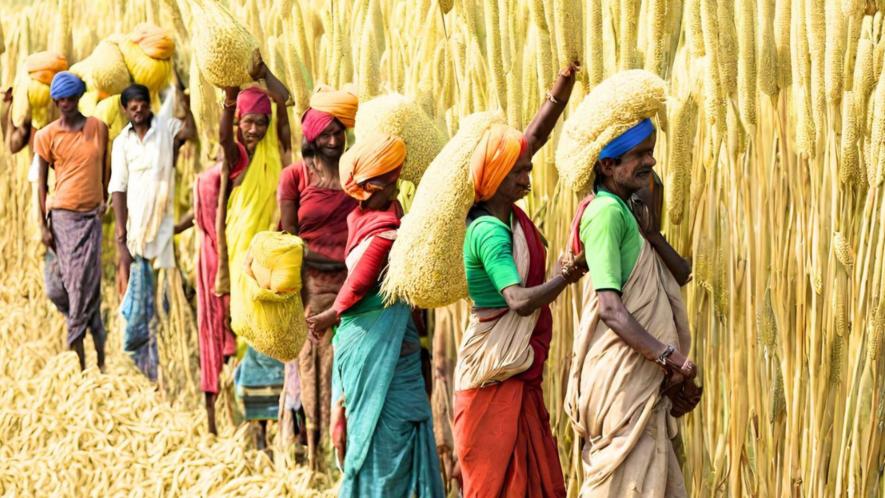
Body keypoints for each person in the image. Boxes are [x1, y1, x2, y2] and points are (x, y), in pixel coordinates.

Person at [449, 63, 583, 498]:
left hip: (511, 374)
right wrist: (567, 275)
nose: (528, 179)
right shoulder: (490, 231)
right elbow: (519, 300)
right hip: (492, 377)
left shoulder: (505, 212)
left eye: (527, 169)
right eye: (519, 174)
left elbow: (534, 138)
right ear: (495, 179)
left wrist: (562, 87)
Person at [564, 118, 701, 497]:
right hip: (622, 386)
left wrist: (653, 233)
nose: (650, 162)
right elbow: (610, 308)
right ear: (607, 165)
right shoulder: (606, 214)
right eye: (639, 154)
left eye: (652, 153)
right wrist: (669, 357)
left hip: (641, 385)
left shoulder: (630, 214)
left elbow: (683, 272)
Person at [306, 133, 445, 497]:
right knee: (379, 452)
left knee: (394, 438)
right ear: (368, 187)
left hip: (387, 348)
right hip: (372, 346)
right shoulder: (385, 231)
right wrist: (331, 314)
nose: (397, 187)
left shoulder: (363, 218)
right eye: (390, 182)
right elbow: (360, 281)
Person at [279, 85, 358, 468]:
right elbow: (290, 238)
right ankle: (312, 453)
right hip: (309, 288)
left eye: (337, 132)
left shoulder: (356, 173)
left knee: (343, 367)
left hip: (353, 286)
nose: (332, 140)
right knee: (308, 366)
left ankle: (340, 452)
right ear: (311, 137)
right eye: (324, 134)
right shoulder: (295, 176)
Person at [216, 60, 292, 449]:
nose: (255, 129)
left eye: (260, 123)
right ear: (239, 122)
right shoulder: (236, 159)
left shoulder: (275, 151)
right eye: (249, 122)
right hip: (243, 259)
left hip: (273, 259)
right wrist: (229, 102)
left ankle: (275, 424)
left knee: (273, 333)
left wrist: (264, 73)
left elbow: (286, 102)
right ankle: (255, 428)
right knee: (250, 331)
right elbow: (223, 140)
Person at [109, 82, 195, 381]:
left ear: (149, 105)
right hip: (137, 233)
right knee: (142, 305)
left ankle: (173, 364)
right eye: (132, 107)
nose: (138, 110)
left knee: (167, 302)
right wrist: (121, 238)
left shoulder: (165, 127)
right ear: (125, 110)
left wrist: (181, 94)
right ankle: (148, 370)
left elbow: (189, 131)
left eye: (143, 104)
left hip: (165, 233)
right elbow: (118, 188)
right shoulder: (122, 143)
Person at [34, 71, 109, 371]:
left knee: (82, 289)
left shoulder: (98, 128)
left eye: (70, 97)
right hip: (62, 219)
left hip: (89, 219)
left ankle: (85, 364)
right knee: (57, 287)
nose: (65, 103)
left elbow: (106, 167)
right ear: (54, 102)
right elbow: (40, 184)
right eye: (60, 99)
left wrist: (103, 198)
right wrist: (41, 224)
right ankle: (84, 328)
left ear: (79, 98)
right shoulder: (46, 136)